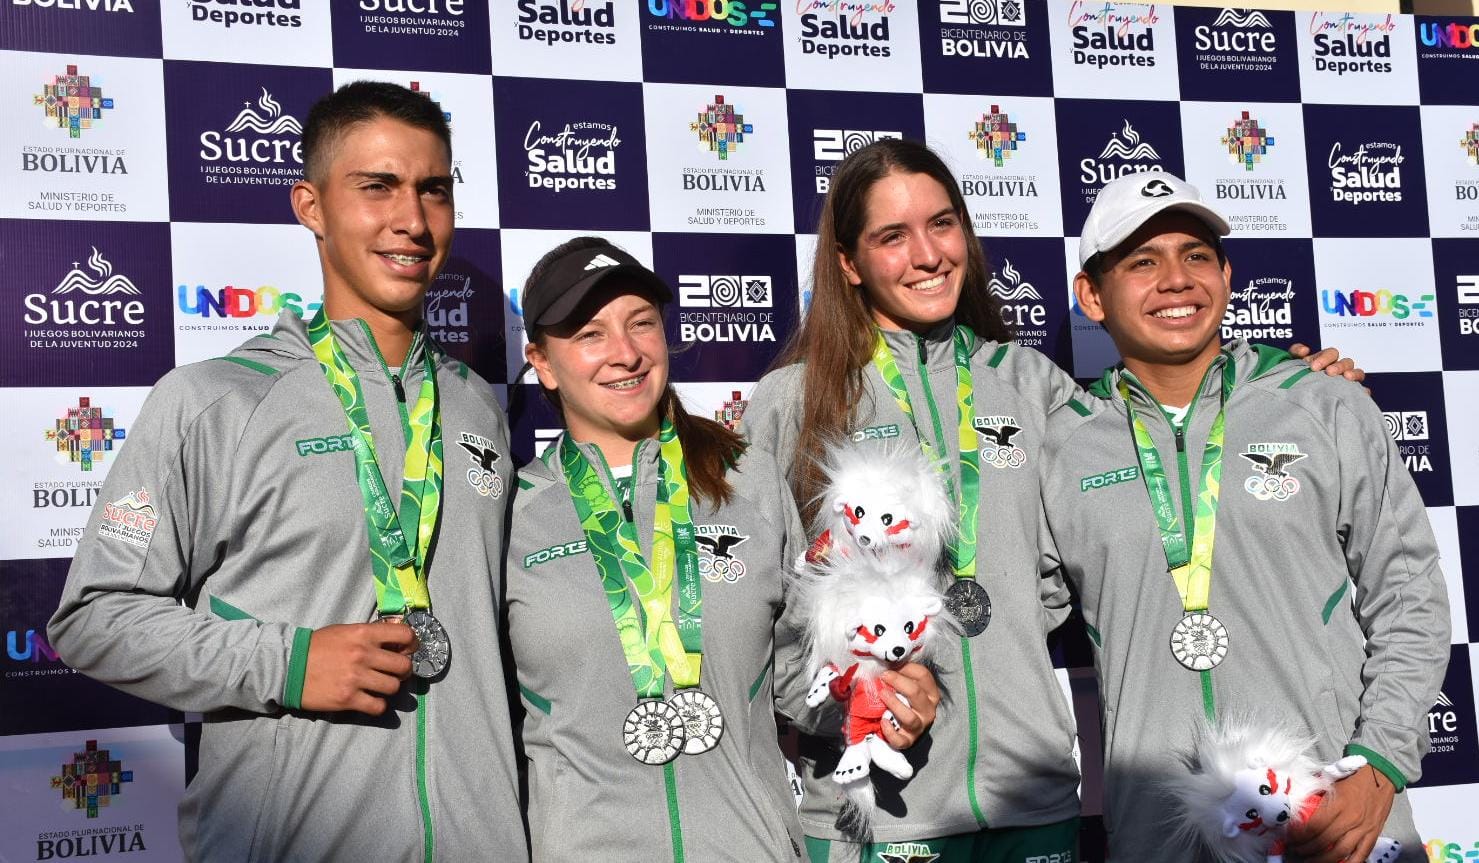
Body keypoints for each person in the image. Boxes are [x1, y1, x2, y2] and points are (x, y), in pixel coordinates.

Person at [741, 138, 1360, 862]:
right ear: (848, 262)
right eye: (891, 237)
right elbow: (756, 617)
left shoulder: (1031, 382)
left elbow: (1168, 443)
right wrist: (848, 698)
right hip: (876, 814)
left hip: (1030, 798)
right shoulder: (793, 402)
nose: (926, 253)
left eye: (941, 224)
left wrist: (1283, 385)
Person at [48, 82, 526, 861]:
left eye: (433, 189)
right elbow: (94, 618)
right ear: (311, 206)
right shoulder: (214, 399)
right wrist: (290, 661)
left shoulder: (476, 408)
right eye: (377, 187)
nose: (412, 219)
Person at [1037, 170, 1448, 863]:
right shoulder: (1059, 442)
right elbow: (1002, 623)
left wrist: (1377, 765)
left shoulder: (1323, 404)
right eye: (1141, 260)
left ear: (1226, 277)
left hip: (1334, 819)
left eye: (1195, 255)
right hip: (1159, 836)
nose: (1175, 279)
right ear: (1091, 295)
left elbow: (1410, 595)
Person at [503, 237, 940, 862]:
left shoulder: (747, 479)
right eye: (590, 334)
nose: (625, 353)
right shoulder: (516, 513)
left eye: (641, 323)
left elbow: (797, 674)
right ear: (542, 362)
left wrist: (874, 690)